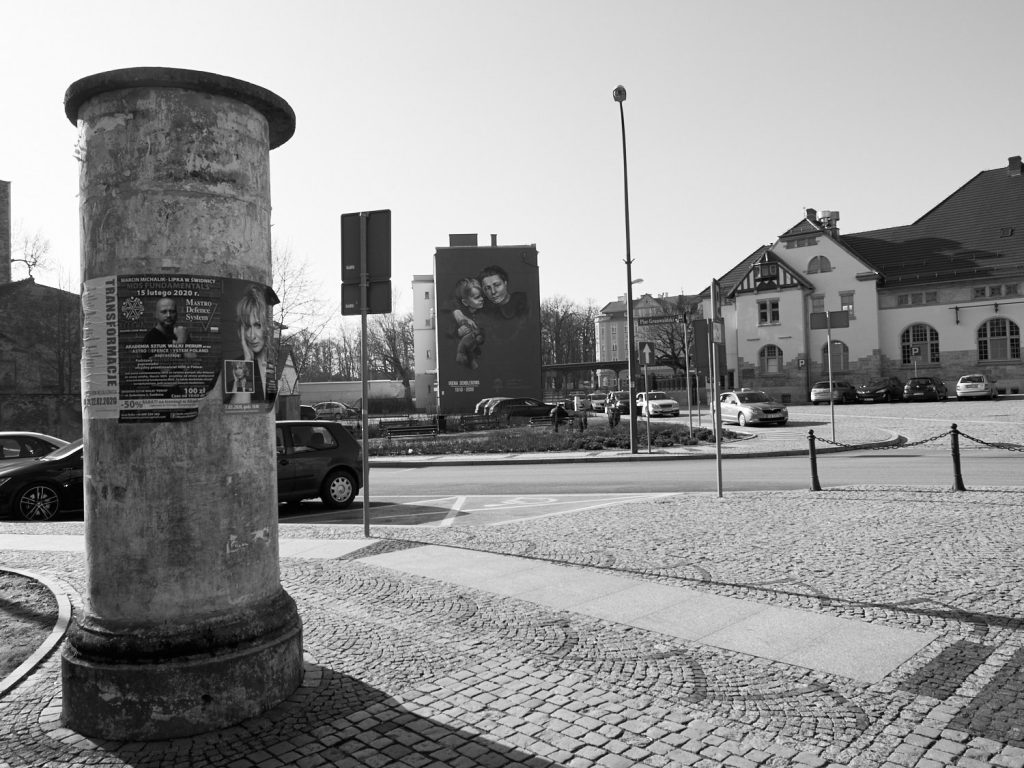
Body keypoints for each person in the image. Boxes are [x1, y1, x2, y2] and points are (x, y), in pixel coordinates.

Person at [229, 284, 275, 404]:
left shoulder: (272, 364)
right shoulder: (238, 369)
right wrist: (247, 361)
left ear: (267, 327)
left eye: (257, 325)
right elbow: (239, 409)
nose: (252, 335)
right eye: (248, 327)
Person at [449, 277, 486, 369]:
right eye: (477, 297)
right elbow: (457, 316)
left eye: (481, 296)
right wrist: (458, 332)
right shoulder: (460, 313)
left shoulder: (482, 313)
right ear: (465, 302)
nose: (482, 299)